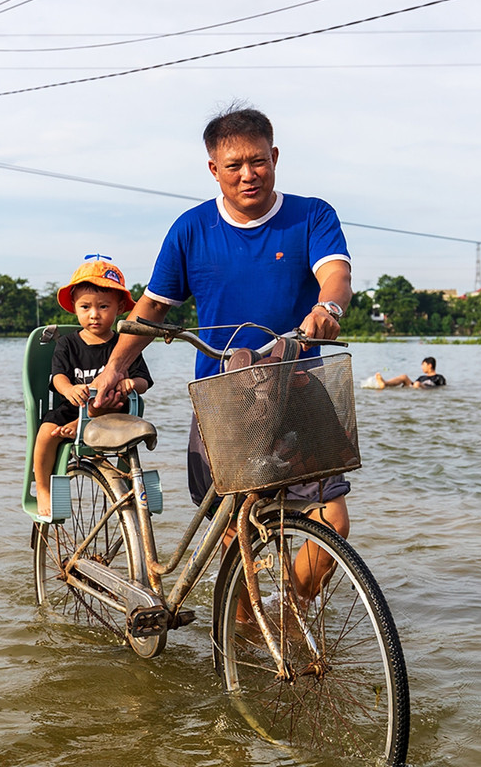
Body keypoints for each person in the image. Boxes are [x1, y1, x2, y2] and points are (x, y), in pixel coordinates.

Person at [90, 105, 351, 597]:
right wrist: (114, 367)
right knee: (236, 534)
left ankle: (289, 613)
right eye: (234, 165)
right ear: (214, 169)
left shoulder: (311, 215)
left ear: (275, 157)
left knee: (332, 520)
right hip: (224, 397)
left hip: (299, 384)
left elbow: (335, 273)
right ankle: (243, 627)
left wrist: (328, 307)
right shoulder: (191, 229)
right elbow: (153, 307)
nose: (248, 174)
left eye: (258, 161)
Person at [34, 259, 152, 520]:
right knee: (45, 432)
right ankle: (42, 489)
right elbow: (57, 377)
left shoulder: (123, 346)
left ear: (119, 308)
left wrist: (131, 383)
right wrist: (68, 389)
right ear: (75, 307)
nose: (94, 314)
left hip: (112, 412)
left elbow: (144, 381)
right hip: (73, 407)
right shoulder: (67, 344)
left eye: (103, 306)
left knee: (111, 402)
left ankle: (83, 424)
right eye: (85, 307)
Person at [370, 357, 446, 389]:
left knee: (417, 384)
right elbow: (412, 385)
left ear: (430, 365)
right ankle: (385, 383)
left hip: (425, 388)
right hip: (415, 387)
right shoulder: (422, 377)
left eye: (423, 365)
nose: (422, 367)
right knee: (404, 376)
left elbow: (440, 388)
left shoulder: (439, 377)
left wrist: (420, 385)